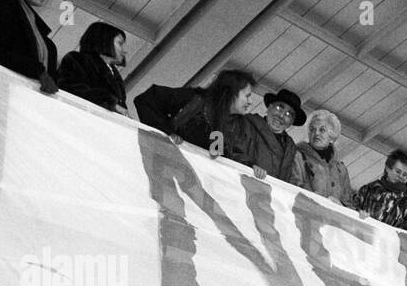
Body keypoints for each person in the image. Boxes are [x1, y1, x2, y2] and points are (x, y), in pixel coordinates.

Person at [134, 69, 262, 174]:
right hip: (158, 167)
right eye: (247, 95)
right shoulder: (193, 100)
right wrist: (167, 133)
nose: (250, 102)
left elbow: (224, 155)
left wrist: (251, 166)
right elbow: (145, 99)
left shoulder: (228, 125)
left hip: (185, 178)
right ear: (230, 93)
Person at [58, 22, 129, 114]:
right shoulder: (78, 60)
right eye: (120, 43)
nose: (125, 51)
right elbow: (73, 89)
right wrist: (111, 103)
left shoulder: (115, 75)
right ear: (105, 41)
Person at [293, 109, 355, 208]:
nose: (316, 133)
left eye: (322, 130)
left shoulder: (341, 170)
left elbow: (348, 204)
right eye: (312, 129)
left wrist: (340, 205)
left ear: (332, 136)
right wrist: (318, 199)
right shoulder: (298, 156)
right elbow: (292, 186)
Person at [355, 149, 407, 234]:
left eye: (405, 174)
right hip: (360, 236)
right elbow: (352, 207)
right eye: (398, 171)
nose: (400, 176)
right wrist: (359, 213)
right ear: (388, 168)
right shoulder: (369, 189)